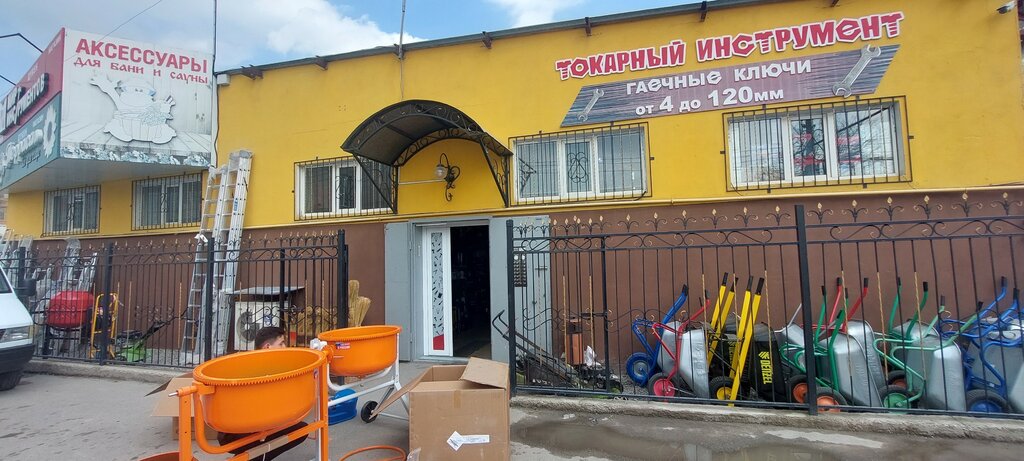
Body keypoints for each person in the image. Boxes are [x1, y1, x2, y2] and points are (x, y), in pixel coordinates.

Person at [217, 326, 308, 460]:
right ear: (267, 347)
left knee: (299, 428)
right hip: (240, 431)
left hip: (233, 430)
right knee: (300, 430)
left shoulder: (253, 363)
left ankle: (252, 456)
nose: (285, 347)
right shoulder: (262, 370)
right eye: (281, 343)